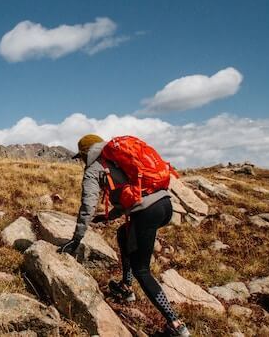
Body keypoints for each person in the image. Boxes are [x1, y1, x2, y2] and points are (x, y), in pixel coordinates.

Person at [60, 134, 190, 337]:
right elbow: (132, 193)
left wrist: (77, 238)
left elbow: (87, 204)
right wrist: (109, 216)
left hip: (147, 212)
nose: (81, 161)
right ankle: (126, 287)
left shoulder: (93, 168)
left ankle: (176, 324)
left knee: (142, 270)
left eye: (81, 157)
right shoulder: (117, 156)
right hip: (165, 205)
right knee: (123, 233)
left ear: (85, 153)